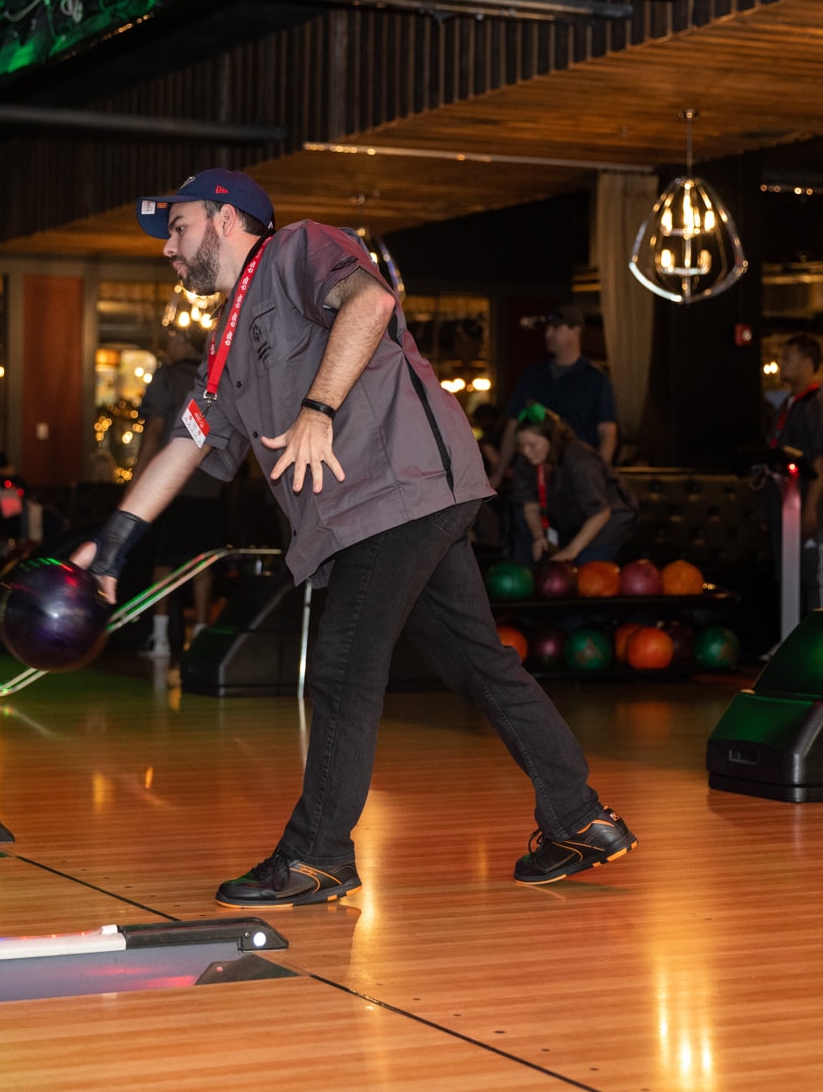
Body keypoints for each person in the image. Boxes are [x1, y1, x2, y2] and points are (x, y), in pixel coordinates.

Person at [70, 168, 633, 908]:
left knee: (340, 669)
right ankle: (580, 818)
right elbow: (187, 440)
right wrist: (111, 544)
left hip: (396, 491)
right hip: (398, 503)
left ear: (226, 217)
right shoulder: (228, 336)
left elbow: (371, 301)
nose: (170, 251)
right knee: (481, 666)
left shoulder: (300, 247)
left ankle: (316, 856)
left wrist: (318, 407)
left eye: (177, 229)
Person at [135, 322, 226, 644]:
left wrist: (137, 481)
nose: (168, 344)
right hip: (209, 484)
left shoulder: (166, 377)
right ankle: (200, 635)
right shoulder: (215, 377)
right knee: (202, 561)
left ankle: (159, 638)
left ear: (185, 341)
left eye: (172, 338)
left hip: (169, 483)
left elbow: (155, 430)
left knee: (163, 560)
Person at [494, 304, 619, 480]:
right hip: (533, 476)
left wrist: (598, 474)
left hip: (576, 475)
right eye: (547, 329)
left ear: (575, 332)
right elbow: (513, 426)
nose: (547, 335)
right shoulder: (534, 375)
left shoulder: (595, 379)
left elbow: (608, 433)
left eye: (555, 328)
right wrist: (498, 474)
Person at [764, 334, 823, 616]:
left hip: (809, 507)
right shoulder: (787, 405)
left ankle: (819, 642)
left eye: (788, 358)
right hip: (782, 507)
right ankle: (790, 637)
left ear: (808, 363)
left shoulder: (819, 408)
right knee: (786, 575)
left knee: (814, 577)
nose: (780, 363)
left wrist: (811, 508)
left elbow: (822, 459)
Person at [511, 404, 638, 564]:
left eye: (532, 445)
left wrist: (571, 551)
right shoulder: (528, 460)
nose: (526, 452)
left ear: (551, 438)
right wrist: (538, 537)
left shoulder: (580, 461)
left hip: (608, 523)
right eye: (522, 446)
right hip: (573, 525)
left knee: (581, 574)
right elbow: (530, 504)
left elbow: (601, 513)